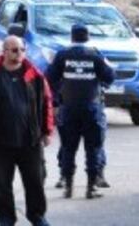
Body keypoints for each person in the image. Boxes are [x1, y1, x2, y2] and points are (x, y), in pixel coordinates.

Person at [0, 35, 54, 226]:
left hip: (30, 141)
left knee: (35, 181)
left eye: (23, 50)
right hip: (0, 142)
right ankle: (6, 218)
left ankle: (37, 215)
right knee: (2, 184)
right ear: (4, 51)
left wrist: (47, 131)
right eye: (15, 50)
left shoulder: (35, 75)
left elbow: (46, 103)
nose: (20, 53)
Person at [46, 24, 114, 200]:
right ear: (88, 37)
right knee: (93, 148)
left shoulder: (62, 55)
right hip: (92, 108)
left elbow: (49, 77)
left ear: (71, 37)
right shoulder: (95, 55)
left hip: (68, 108)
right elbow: (110, 76)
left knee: (68, 148)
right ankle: (91, 188)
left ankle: (68, 187)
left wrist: (60, 91)